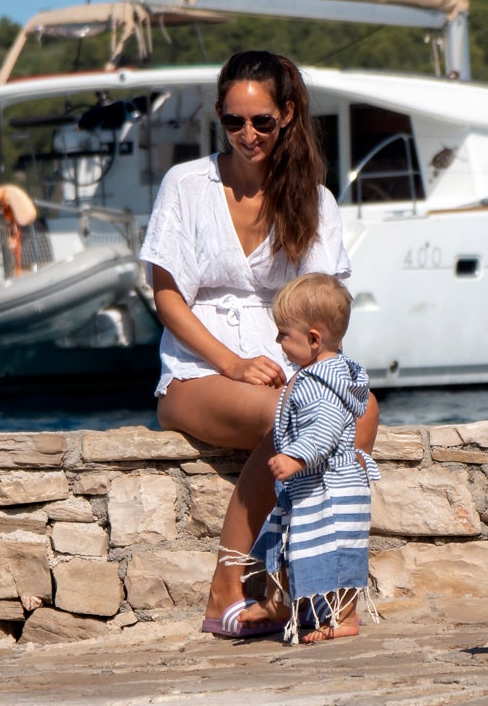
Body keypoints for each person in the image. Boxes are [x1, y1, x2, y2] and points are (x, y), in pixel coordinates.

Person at [137, 50, 379, 638]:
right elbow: (166, 295)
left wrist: (320, 374)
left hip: (294, 367)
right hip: (200, 370)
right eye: (233, 121)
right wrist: (233, 363)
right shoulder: (187, 185)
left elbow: (322, 304)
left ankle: (302, 582)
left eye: (262, 122)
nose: (247, 134)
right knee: (295, 415)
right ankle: (229, 582)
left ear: (288, 116)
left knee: (361, 410)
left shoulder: (314, 199)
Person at [245, 272, 378, 643]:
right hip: (321, 486)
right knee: (313, 551)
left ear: (314, 339)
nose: (278, 341)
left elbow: (324, 429)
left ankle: (343, 617)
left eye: (283, 334)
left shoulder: (323, 384)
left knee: (335, 553)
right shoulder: (317, 375)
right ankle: (321, 611)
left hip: (331, 486)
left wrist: (296, 459)